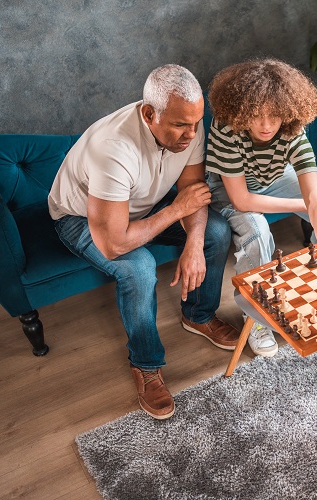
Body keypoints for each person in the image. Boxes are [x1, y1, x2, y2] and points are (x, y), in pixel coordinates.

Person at [48, 64, 240, 420]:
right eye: (181, 125)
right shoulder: (113, 150)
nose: (191, 134)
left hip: (142, 205)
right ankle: (146, 365)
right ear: (149, 114)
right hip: (82, 220)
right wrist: (174, 212)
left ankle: (198, 315)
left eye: (196, 123)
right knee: (139, 268)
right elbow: (114, 244)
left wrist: (194, 243)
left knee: (214, 231)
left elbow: (192, 193)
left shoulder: (189, 124)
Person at [205, 58, 317, 357]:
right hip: (231, 187)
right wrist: (309, 204)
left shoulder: (292, 130)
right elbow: (242, 200)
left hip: (273, 179)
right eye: (257, 116)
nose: (266, 125)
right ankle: (256, 315)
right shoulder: (227, 127)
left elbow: (315, 195)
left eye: (275, 116)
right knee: (258, 233)